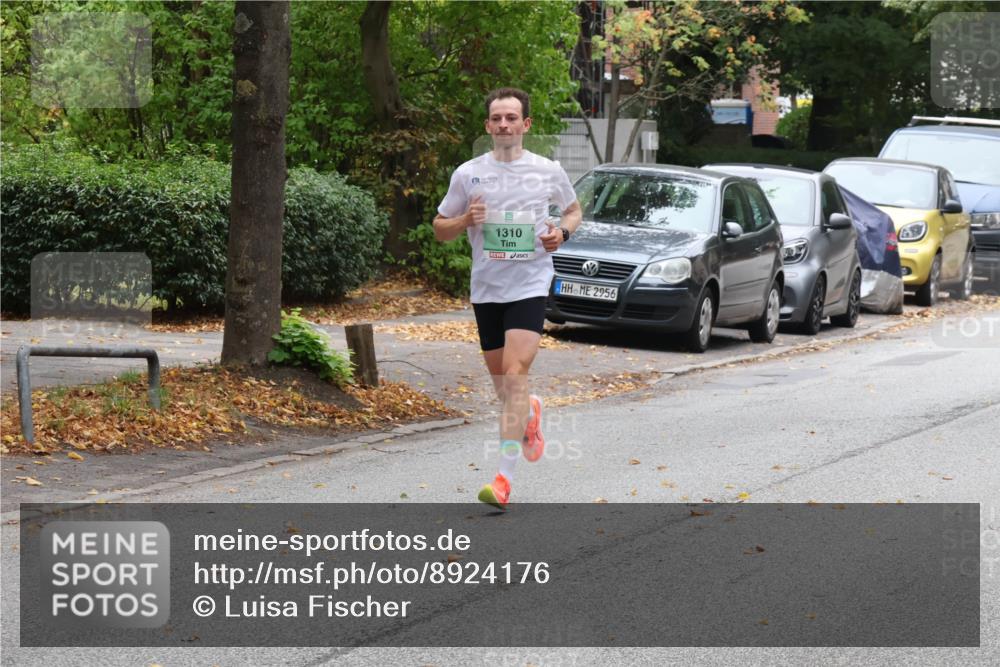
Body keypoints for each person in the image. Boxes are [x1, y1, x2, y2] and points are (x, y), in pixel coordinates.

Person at [433, 87, 582, 510]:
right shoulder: (468, 174)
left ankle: (503, 480)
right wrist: (466, 219)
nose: (504, 124)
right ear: (488, 125)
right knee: (505, 386)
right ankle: (529, 413)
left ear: (525, 124)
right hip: (487, 289)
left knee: (515, 374)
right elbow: (440, 228)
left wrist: (561, 233)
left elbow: (573, 211)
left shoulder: (547, 170)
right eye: (497, 118)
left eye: (511, 118)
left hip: (530, 283)